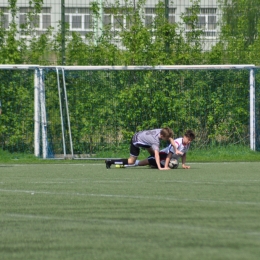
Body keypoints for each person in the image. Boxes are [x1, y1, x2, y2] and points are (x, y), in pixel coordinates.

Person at [105, 127, 183, 170]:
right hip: (136, 141)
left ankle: (152, 164)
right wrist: (160, 168)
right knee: (131, 161)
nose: (168, 139)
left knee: (153, 154)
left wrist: (176, 150)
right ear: (162, 136)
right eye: (167, 138)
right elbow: (156, 155)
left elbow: (171, 139)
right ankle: (110, 162)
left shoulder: (161, 131)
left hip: (144, 139)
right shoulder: (155, 141)